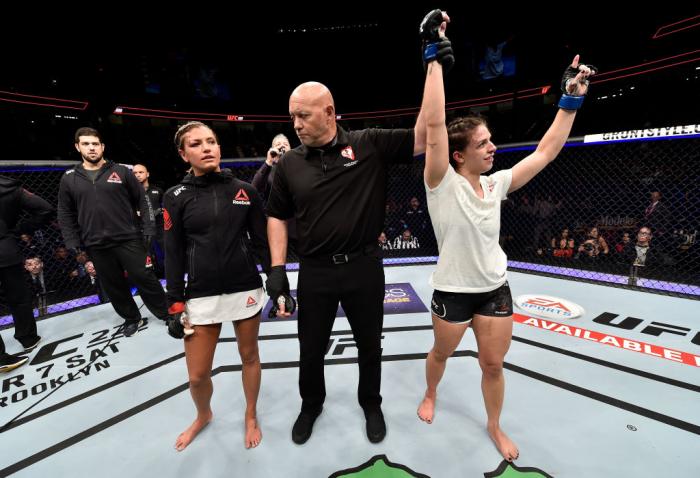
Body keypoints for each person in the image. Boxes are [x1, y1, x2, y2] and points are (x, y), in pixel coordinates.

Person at [415, 9, 595, 462]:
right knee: (440, 353)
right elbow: (434, 128)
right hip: (452, 291)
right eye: (483, 144)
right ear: (458, 155)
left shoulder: (496, 183)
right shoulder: (440, 181)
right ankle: (431, 391)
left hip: (494, 288)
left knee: (492, 364)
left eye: (491, 140)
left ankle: (494, 425)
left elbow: (548, 151)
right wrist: (432, 59)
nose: (493, 147)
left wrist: (569, 100)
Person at [264, 26, 453, 444]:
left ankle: (371, 402)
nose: (295, 124)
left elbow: (424, 137)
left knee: (370, 344)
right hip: (314, 270)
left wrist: (431, 64)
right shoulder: (288, 165)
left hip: (365, 266)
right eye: (292, 116)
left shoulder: (368, 144)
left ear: (330, 112)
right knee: (310, 349)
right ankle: (310, 404)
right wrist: (278, 268)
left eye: (304, 115)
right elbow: (276, 215)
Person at [163, 121, 271, 450]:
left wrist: (277, 282)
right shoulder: (175, 196)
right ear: (184, 154)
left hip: (245, 288)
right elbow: (173, 253)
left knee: (249, 356)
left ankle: (250, 414)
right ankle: (203, 415)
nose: (206, 148)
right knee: (197, 375)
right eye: (196, 144)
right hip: (200, 294)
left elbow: (262, 242)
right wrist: (174, 303)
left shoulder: (244, 190)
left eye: (211, 141)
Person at [57, 127, 171, 337]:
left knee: (144, 277)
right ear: (77, 147)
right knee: (113, 284)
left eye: (95, 143)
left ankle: (167, 314)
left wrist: (148, 227)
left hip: (128, 237)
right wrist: (72, 241)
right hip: (95, 241)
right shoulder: (69, 178)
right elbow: (65, 213)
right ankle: (131, 318)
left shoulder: (121, 171)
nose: (91, 148)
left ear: (102, 146)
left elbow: (143, 201)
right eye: (86, 144)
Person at [0, 176, 54, 372]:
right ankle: (28, 338)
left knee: (19, 297)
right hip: (6, 248)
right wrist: (17, 229)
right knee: (18, 298)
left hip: (6, 247)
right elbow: (45, 209)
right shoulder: (7, 186)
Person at [133, 163, 165, 276]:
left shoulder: (158, 191)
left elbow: (165, 209)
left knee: (165, 254)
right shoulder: (129, 194)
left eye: (140, 172)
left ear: (147, 174)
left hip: (160, 229)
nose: (137, 175)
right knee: (146, 258)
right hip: (142, 231)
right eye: (135, 173)